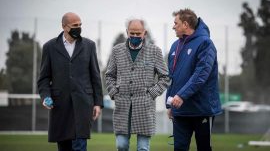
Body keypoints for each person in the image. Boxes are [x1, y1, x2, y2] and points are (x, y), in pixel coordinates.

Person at [37, 12, 103, 151]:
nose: (78, 28)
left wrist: (98, 103)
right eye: (74, 25)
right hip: (60, 106)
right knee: (64, 147)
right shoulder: (49, 47)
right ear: (64, 27)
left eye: (80, 25)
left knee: (80, 146)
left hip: (83, 105)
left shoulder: (89, 46)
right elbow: (43, 79)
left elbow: (95, 76)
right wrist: (46, 96)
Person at [105, 19, 170, 151]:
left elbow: (165, 77)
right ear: (127, 32)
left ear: (144, 33)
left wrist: (151, 93)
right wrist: (114, 92)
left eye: (138, 33)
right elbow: (109, 75)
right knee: (121, 145)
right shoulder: (117, 51)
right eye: (132, 33)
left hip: (144, 107)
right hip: (122, 105)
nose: (135, 36)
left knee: (143, 148)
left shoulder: (154, 51)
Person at [166, 9, 222, 151]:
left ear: (185, 24)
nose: (173, 26)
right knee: (179, 148)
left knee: (203, 148)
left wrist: (181, 95)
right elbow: (171, 76)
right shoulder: (174, 46)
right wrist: (169, 103)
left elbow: (201, 74)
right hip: (180, 109)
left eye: (175, 23)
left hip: (201, 109)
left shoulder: (205, 43)